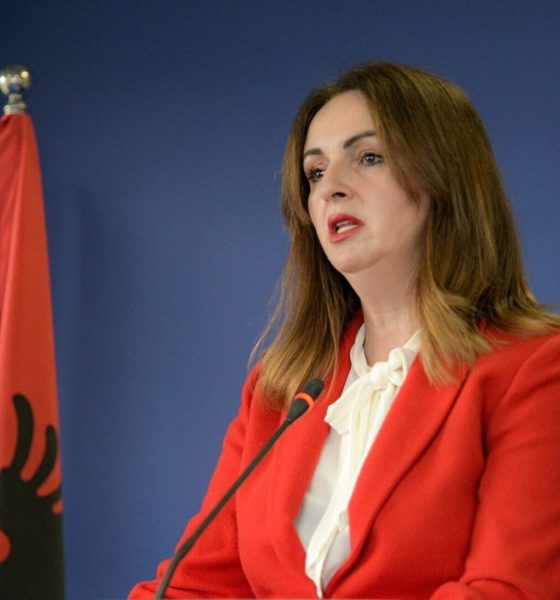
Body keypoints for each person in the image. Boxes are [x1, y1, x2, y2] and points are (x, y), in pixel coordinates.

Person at [129, 62, 560, 599]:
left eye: (368, 158)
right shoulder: (281, 390)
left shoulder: (533, 371)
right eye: (315, 173)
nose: (330, 188)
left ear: (446, 176)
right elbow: (196, 586)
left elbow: (507, 589)